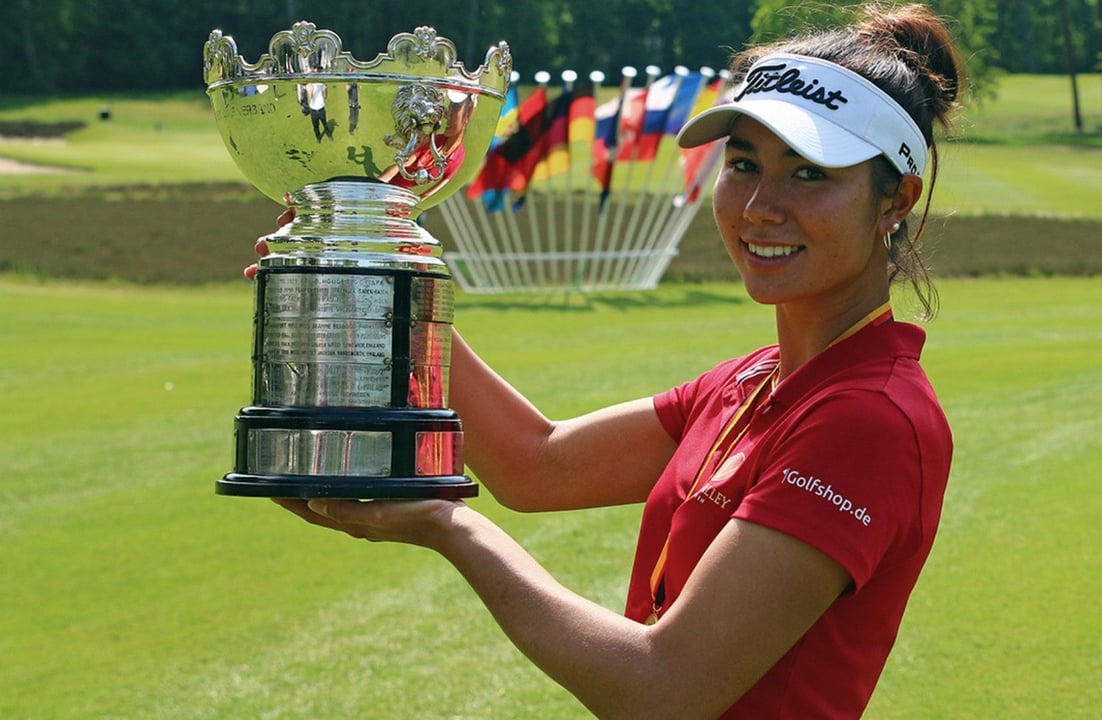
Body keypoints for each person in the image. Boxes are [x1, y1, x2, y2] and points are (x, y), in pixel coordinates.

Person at [270, 3, 964, 717]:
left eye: (809, 173)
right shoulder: (753, 381)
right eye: (744, 164)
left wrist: (451, 528)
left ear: (895, 201)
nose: (760, 205)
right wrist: (382, 281)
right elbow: (537, 463)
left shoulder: (868, 419)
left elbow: (662, 689)